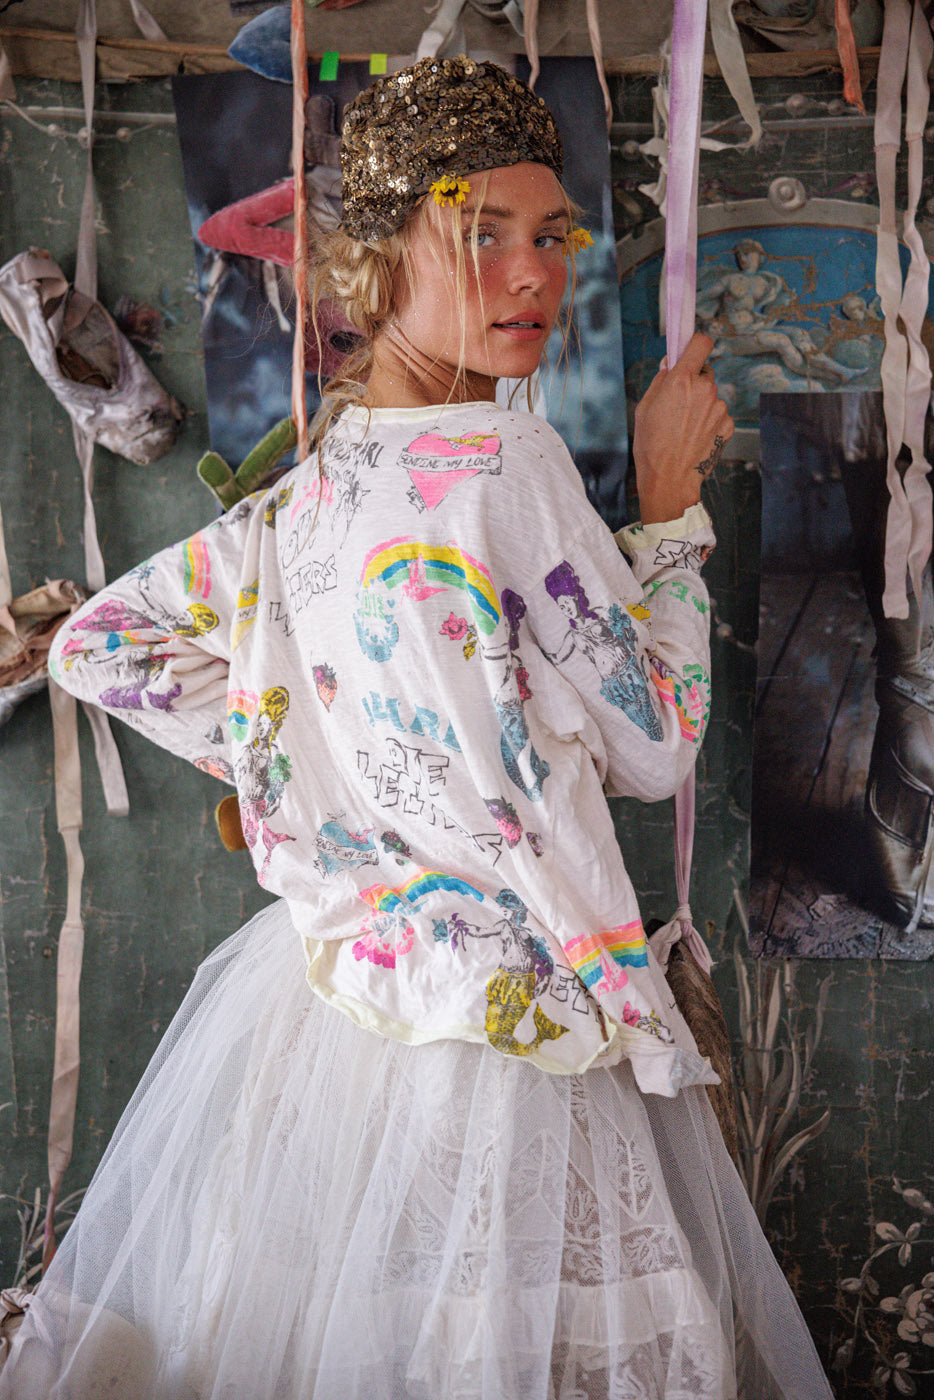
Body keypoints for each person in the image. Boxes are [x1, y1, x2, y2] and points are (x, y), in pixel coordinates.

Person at [2, 56, 833, 1400]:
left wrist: (299, 761)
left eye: (550, 236)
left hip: (335, 1007)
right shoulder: (505, 464)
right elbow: (656, 745)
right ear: (378, 259)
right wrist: (671, 507)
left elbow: (101, 644)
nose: (532, 274)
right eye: (480, 234)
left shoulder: (314, 488)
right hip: (509, 1022)